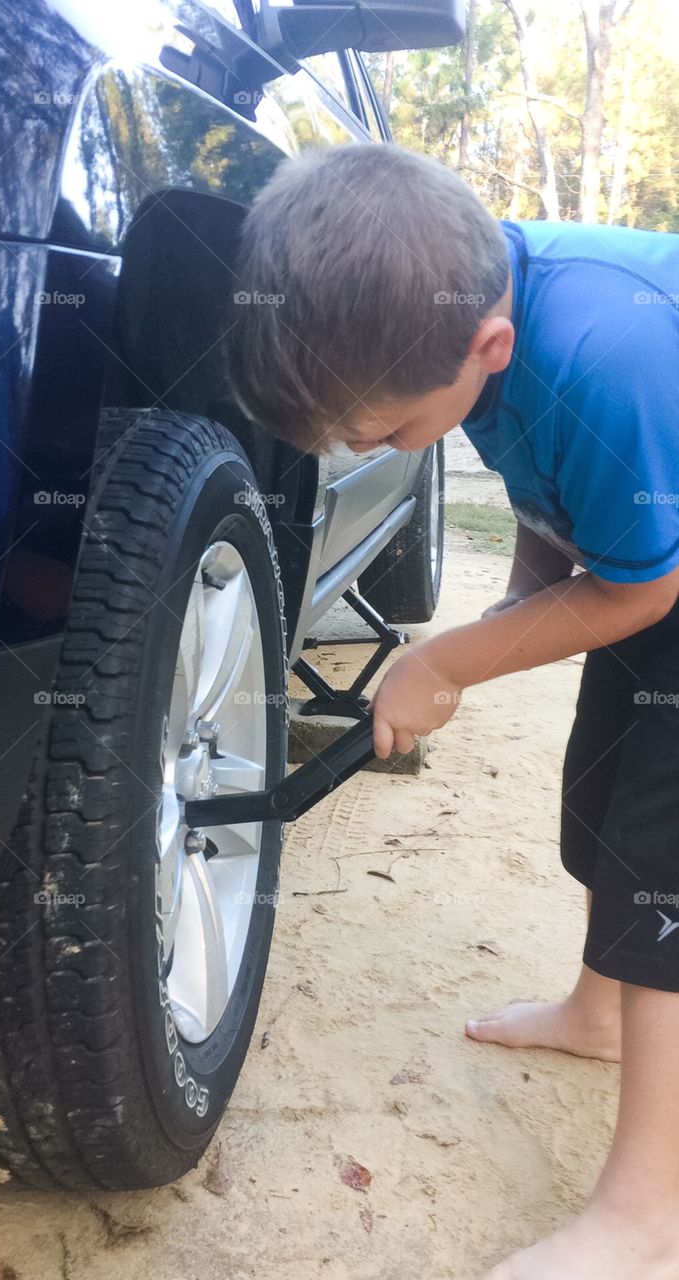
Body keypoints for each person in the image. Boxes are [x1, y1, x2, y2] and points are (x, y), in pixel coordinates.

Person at [224, 142, 679, 1280]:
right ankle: (595, 1011)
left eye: (382, 435)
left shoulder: (606, 350)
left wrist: (450, 663)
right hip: (651, 556)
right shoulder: (472, 329)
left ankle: (649, 1211)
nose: (371, 451)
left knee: (659, 873)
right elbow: (553, 486)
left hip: (658, 570)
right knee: (598, 803)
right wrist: (520, 605)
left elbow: (640, 583)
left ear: (487, 346)